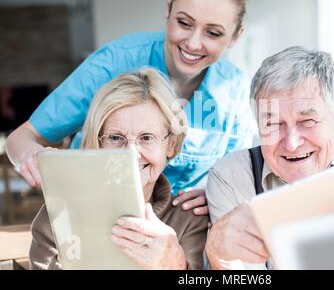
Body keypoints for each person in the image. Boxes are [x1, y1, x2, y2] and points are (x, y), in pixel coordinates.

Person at [5, 0, 256, 216]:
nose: (192, 43)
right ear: (168, 11)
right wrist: (31, 156)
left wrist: (215, 193)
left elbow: (236, 178)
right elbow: (22, 138)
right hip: (92, 217)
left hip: (179, 233)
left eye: (213, 33)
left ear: (235, 36)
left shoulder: (234, 91)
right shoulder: (115, 61)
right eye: (184, 23)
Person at [204, 46, 334, 269]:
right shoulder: (230, 177)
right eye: (273, 124)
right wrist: (219, 258)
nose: (292, 143)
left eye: (307, 122)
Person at [30, 68, 209, 270]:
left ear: (171, 144)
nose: (131, 153)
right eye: (115, 138)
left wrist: (173, 265)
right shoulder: (59, 212)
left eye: (147, 137)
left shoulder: (189, 219)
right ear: (98, 143)